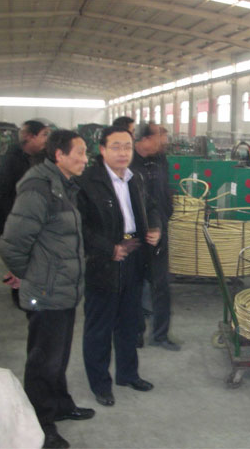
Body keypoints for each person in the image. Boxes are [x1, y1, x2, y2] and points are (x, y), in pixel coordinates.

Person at [0, 130, 94, 449]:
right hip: (47, 290)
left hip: (62, 289)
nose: (85, 159)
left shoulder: (62, 186)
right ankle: (40, 425)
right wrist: (30, 276)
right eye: (80, 153)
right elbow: (12, 244)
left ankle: (60, 404)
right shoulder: (38, 188)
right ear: (59, 155)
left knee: (59, 355)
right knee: (43, 361)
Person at [77, 126, 161, 407]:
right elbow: (80, 227)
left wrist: (155, 227)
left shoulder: (135, 178)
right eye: (116, 147)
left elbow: (151, 206)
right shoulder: (87, 182)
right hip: (104, 262)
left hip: (134, 256)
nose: (123, 152)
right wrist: (108, 248)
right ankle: (101, 384)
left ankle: (128, 374)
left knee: (129, 322)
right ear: (102, 150)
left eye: (127, 146)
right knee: (99, 326)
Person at [0, 120, 50, 308]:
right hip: (17, 219)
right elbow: (7, 194)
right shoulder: (13, 160)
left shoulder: (37, 157)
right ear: (30, 136)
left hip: (31, 218)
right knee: (21, 259)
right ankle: (22, 298)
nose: (46, 140)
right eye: (43, 135)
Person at [132, 122, 178, 350]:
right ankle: (135, 333)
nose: (165, 142)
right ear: (145, 139)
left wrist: (165, 216)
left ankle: (160, 335)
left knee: (161, 285)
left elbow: (162, 191)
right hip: (135, 235)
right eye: (161, 137)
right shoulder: (129, 163)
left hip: (161, 231)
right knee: (135, 284)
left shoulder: (160, 159)